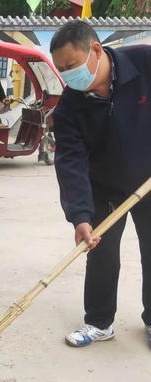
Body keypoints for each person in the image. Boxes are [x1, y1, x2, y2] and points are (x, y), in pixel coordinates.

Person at [50, 20, 151, 347]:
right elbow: (70, 160)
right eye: (62, 70)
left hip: (149, 182)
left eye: (72, 66)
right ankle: (99, 322)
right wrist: (80, 215)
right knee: (101, 252)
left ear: (95, 50)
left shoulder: (143, 63)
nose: (68, 76)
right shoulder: (70, 104)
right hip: (105, 187)